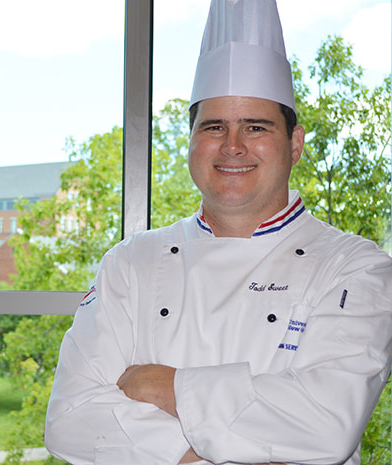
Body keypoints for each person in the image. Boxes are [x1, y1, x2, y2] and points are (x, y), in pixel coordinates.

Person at [45, 1, 392, 464]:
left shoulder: (356, 267)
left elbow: (327, 424)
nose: (233, 146)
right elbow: (70, 419)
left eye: (255, 126)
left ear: (295, 144)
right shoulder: (131, 263)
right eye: (213, 126)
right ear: (191, 141)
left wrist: (166, 385)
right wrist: (191, 456)